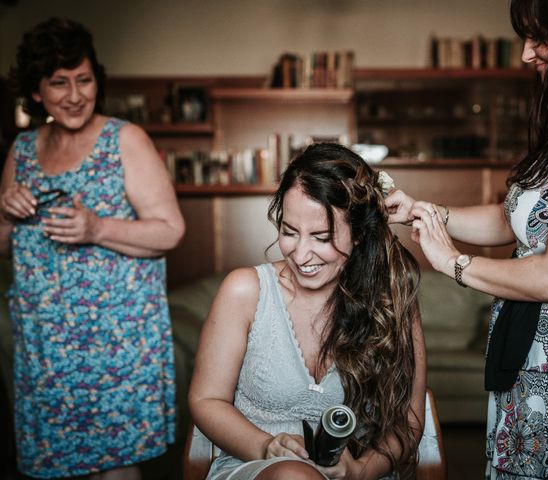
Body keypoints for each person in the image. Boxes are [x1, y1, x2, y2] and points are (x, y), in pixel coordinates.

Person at [385, 0, 548, 478]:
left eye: (539, 36)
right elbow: (514, 222)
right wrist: (423, 211)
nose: (526, 53)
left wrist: (453, 262)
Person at [1, 18, 185, 479]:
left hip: (118, 345)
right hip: (46, 350)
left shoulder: (125, 139)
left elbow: (170, 231)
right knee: (57, 468)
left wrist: (97, 227)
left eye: (84, 79)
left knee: (115, 470)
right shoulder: (21, 150)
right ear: (36, 91)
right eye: (59, 83)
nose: (76, 94)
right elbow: (5, 247)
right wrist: (5, 215)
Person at [189, 143, 427, 480]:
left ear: (359, 234)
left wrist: (360, 470)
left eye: (321, 236)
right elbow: (206, 398)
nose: (301, 255)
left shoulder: (391, 298)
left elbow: (409, 419)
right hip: (254, 465)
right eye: (289, 232)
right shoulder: (245, 291)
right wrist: (266, 446)